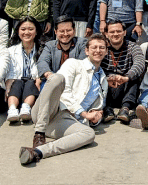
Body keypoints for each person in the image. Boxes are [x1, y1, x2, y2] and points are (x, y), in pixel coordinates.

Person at [18, 34, 109, 165]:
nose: (98, 50)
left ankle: (38, 152)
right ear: (86, 51)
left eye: (102, 48)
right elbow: (64, 93)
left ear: (106, 51)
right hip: (49, 110)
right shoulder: (73, 64)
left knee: (89, 134)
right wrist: (84, 113)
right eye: (94, 47)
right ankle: (39, 133)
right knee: (57, 78)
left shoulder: (103, 79)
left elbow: (97, 107)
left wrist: (96, 116)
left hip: (66, 121)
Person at [100, 19, 145, 125]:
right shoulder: (102, 48)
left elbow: (140, 63)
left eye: (119, 31)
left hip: (126, 88)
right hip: (107, 88)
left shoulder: (133, 46)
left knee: (134, 77)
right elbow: (94, 66)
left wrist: (126, 77)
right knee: (98, 78)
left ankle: (125, 109)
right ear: (106, 34)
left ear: (124, 32)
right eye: (112, 32)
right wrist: (107, 78)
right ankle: (107, 109)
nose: (115, 34)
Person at [4, 16, 42, 124]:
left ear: (36, 31)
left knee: (30, 83)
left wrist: (39, 79)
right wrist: (8, 82)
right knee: (17, 82)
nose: (26, 32)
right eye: (23, 29)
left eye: (30, 29)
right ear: (18, 31)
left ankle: (26, 108)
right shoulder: (10, 51)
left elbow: (43, 69)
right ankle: (12, 109)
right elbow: (9, 71)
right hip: (17, 84)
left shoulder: (42, 49)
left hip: (33, 85)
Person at [38, 16, 89, 80]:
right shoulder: (50, 45)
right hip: (53, 80)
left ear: (74, 30)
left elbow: (81, 65)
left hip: (76, 81)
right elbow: (42, 61)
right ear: (55, 32)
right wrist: (49, 74)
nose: (65, 34)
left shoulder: (83, 44)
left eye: (68, 30)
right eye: (62, 31)